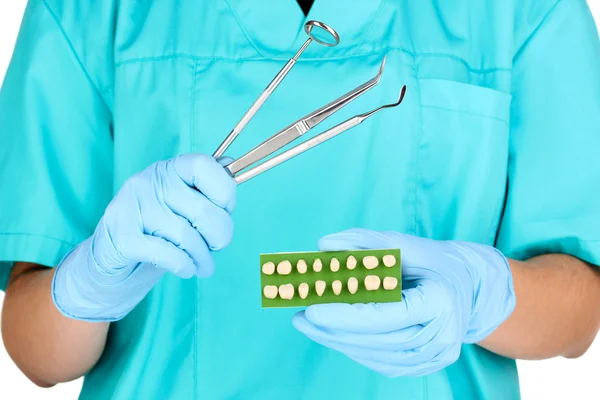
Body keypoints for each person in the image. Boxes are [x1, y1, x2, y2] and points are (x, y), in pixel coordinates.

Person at [1, 0, 600, 399]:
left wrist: (481, 292)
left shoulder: (526, 10)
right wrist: (86, 287)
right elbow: (36, 354)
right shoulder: (89, 10)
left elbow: (580, 313)